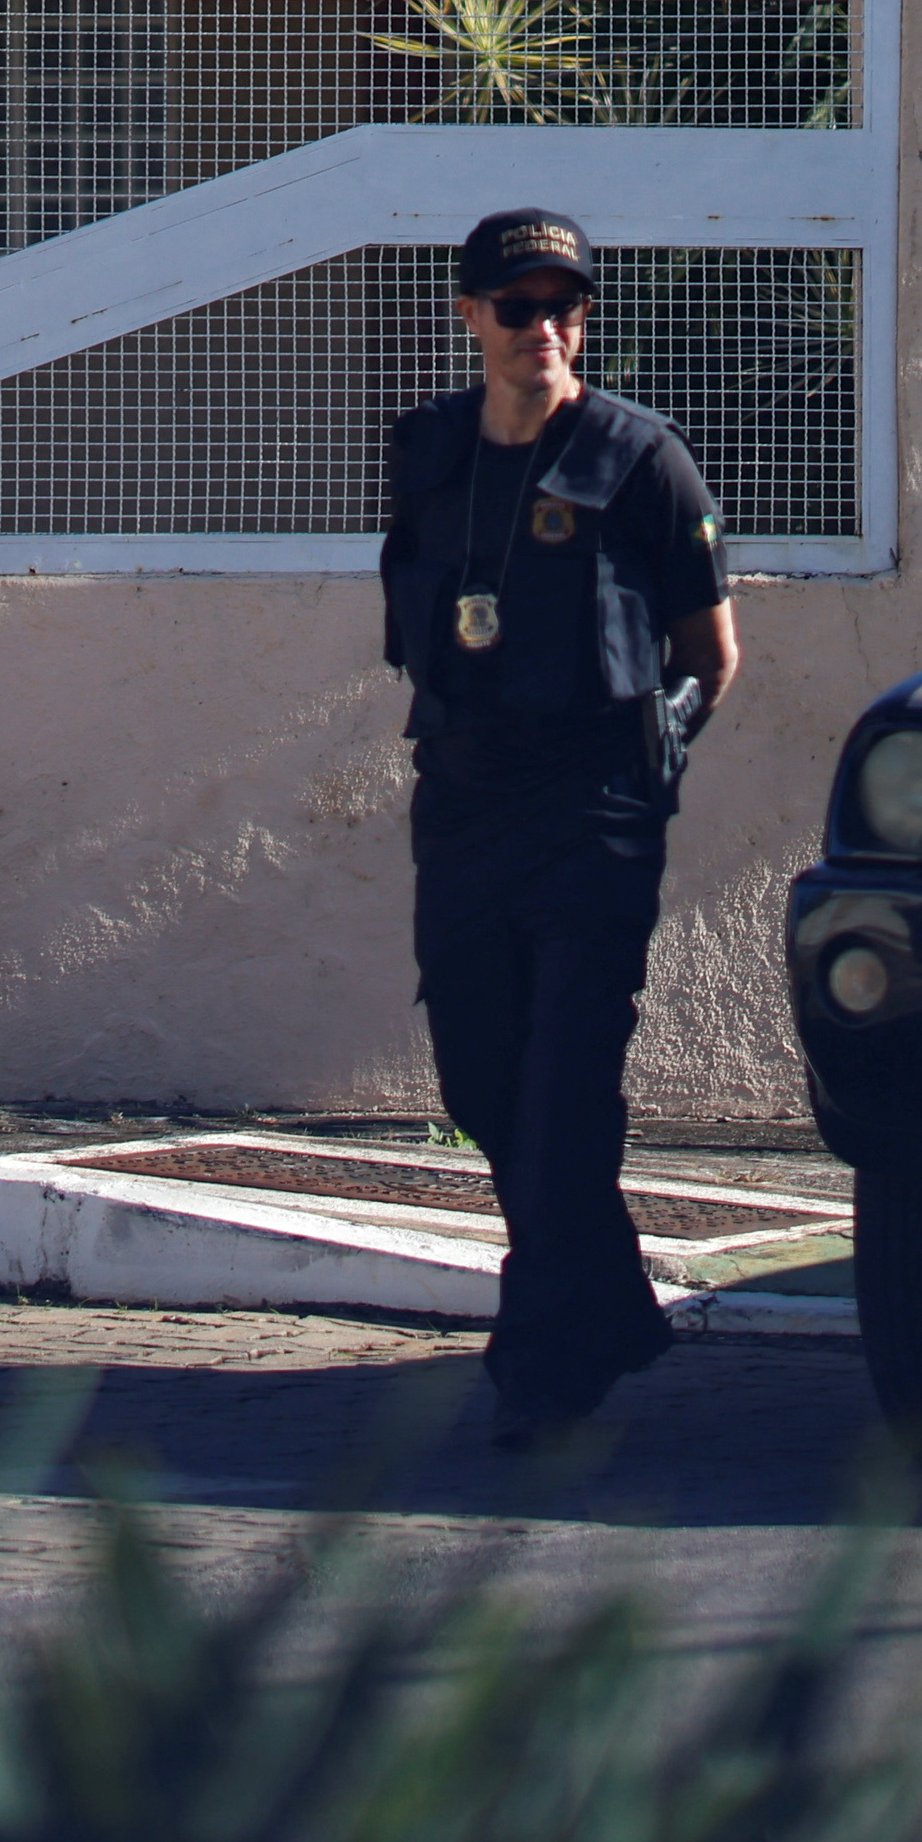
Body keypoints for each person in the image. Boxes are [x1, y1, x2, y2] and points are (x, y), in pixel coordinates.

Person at [379, 210, 741, 1448]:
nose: (545, 328)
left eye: (565, 306)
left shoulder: (642, 455)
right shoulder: (425, 448)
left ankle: (541, 1367)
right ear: (469, 313)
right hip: (467, 799)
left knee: (566, 1084)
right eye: (518, 305)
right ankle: (615, 1303)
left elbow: (711, 651)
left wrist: (653, 765)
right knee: (482, 1077)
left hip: (594, 804)